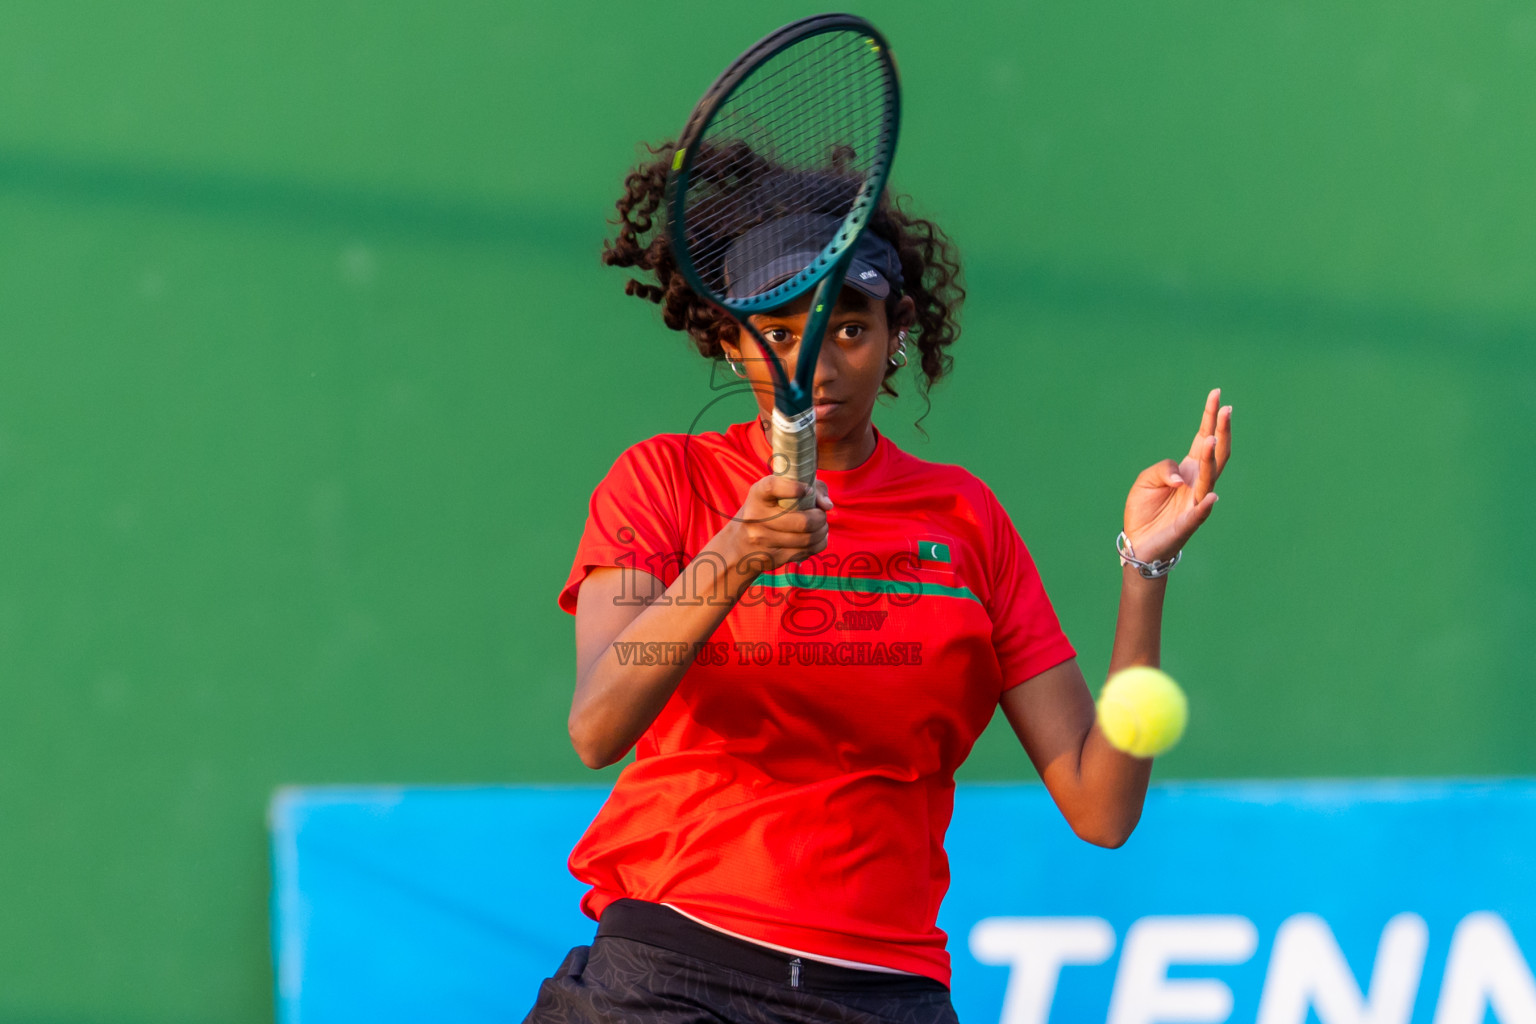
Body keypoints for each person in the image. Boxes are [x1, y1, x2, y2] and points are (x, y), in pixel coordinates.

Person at [522, 141, 1233, 1024]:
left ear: (897, 334)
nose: (814, 366)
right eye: (777, 334)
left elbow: (1102, 805)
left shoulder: (966, 520)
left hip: (879, 995)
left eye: (847, 328)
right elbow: (598, 724)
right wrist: (735, 555)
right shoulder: (664, 482)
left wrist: (1145, 569)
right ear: (727, 339)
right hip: (669, 973)